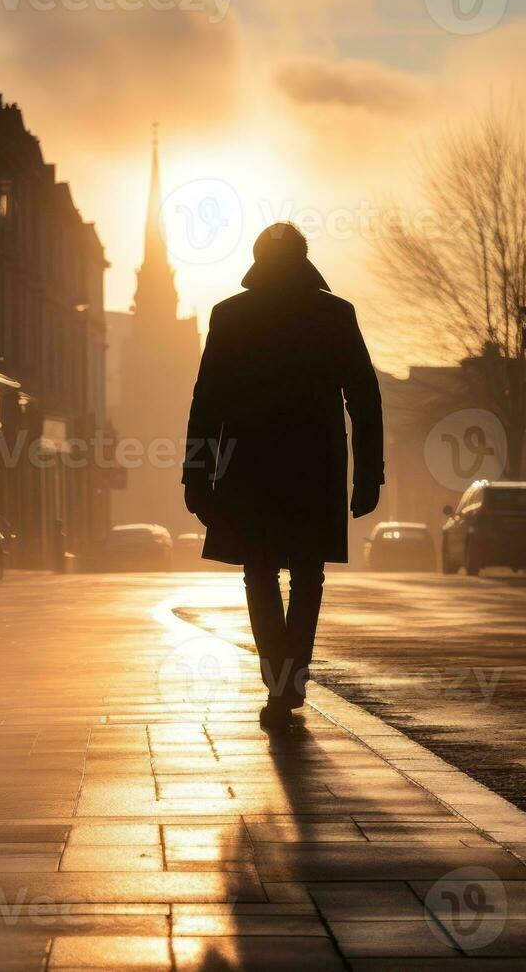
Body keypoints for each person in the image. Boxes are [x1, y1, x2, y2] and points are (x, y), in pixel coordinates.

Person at [182, 222, 384, 727]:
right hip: (315, 467)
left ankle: (280, 680)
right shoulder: (334, 315)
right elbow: (363, 397)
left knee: (259, 573)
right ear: (303, 259)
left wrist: (197, 473)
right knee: (307, 576)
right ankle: (291, 677)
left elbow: (207, 402)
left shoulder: (232, 315)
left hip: (249, 469)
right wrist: (369, 474)